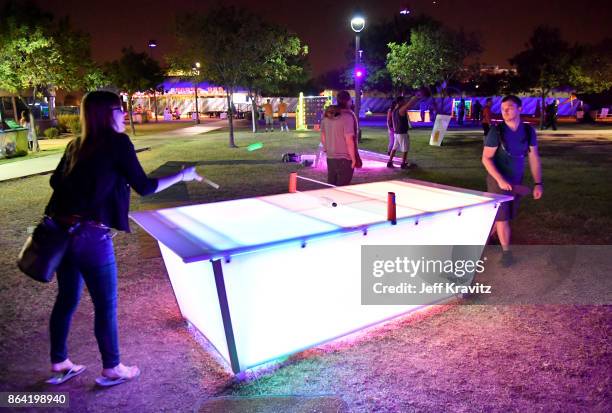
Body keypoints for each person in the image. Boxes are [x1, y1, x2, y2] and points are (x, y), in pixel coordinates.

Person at [43, 91, 203, 386]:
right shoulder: (118, 144)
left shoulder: (76, 145)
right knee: (105, 304)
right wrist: (183, 175)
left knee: (67, 298)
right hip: (91, 237)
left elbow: (56, 181)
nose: (125, 113)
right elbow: (144, 186)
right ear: (106, 113)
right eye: (120, 109)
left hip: (63, 234)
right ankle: (112, 367)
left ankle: (59, 361)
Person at [482, 95, 543, 266]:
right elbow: (486, 158)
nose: (505, 111)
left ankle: (486, 238)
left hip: (516, 178)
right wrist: (500, 179)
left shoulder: (528, 131)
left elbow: (534, 157)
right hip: (498, 180)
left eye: (509, 107)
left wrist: (538, 183)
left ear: (520, 109)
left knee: (505, 215)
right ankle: (506, 253)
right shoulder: (497, 131)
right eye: (503, 109)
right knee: (503, 218)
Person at [320, 90, 358, 186]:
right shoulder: (347, 117)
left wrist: (326, 149)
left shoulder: (326, 117)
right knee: (342, 189)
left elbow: (323, 137)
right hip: (345, 158)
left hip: (330, 157)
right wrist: (354, 159)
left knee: (331, 187)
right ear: (348, 101)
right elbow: (349, 140)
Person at [387, 95, 418, 169]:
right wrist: (414, 98)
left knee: (394, 148)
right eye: (403, 101)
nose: (404, 102)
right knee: (405, 149)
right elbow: (408, 105)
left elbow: (394, 122)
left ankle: (389, 162)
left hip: (396, 133)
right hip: (402, 133)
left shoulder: (394, 110)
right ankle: (403, 164)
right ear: (400, 102)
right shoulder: (401, 110)